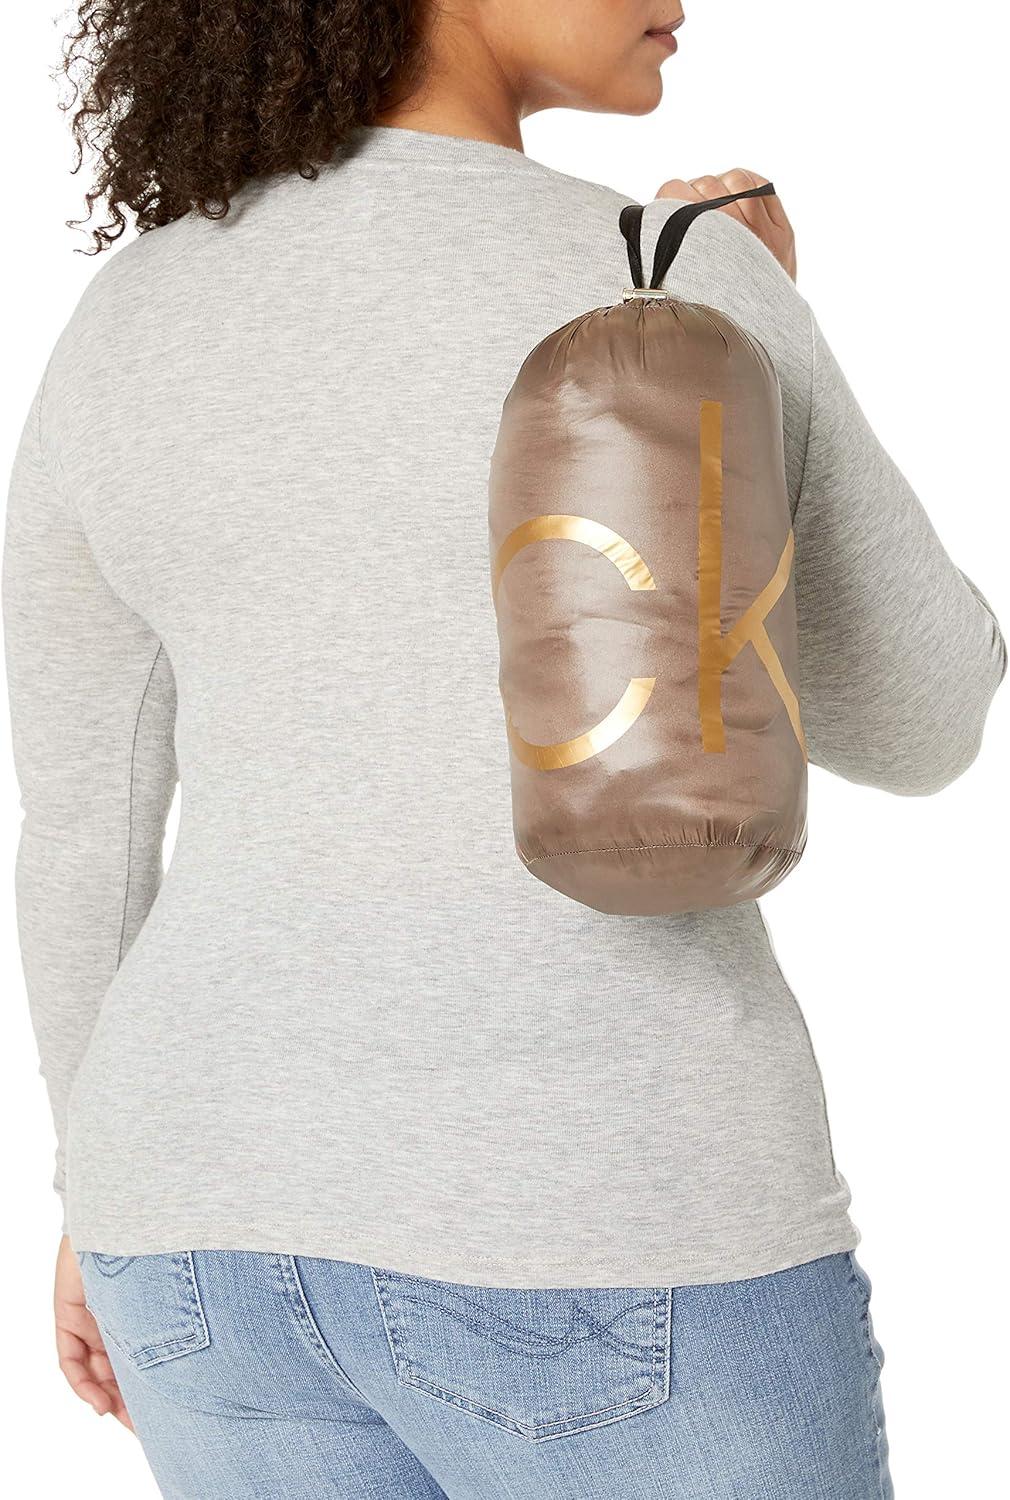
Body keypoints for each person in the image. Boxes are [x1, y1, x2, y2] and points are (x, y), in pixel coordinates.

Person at [4, 2, 1004, 1497]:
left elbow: (84, 833)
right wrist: (750, 349)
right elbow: (924, 716)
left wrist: (95, 1194)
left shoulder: (127, 313)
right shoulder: (661, 272)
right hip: (609, 1211)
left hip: (193, 1233)